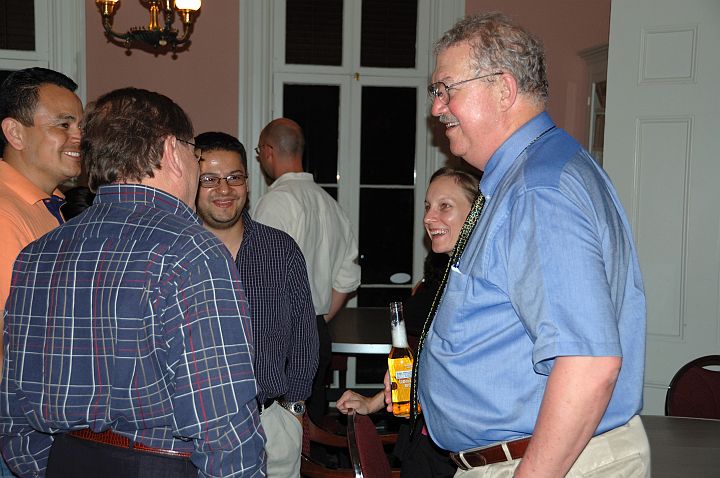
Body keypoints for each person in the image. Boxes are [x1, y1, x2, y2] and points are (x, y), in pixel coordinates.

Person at [416, 12, 649, 477]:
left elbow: (588, 363)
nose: (437, 108)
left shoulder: (537, 189)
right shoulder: (535, 173)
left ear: (503, 89)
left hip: (546, 464)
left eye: (447, 89)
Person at [0, 88, 266, 478]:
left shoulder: (39, 253)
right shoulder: (192, 251)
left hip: (64, 461)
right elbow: (223, 418)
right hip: (160, 465)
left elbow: (14, 401)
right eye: (194, 153)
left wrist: (52, 466)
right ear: (172, 150)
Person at [336, 167, 478, 478]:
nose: (429, 217)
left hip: (464, 453)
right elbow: (417, 363)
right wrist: (374, 402)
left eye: (445, 206)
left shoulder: (485, 288)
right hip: (422, 445)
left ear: (476, 213)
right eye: (428, 206)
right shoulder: (436, 281)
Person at [194, 131, 318, 476]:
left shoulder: (280, 250)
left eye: (235, 177)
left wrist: (293, 410)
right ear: (192, 182)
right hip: (194, 432)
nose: (224, 189)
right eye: (210, 179)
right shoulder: (176, 252)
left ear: (248, 184)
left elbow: (305, 336)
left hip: (271, 427)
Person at [0, 66, 83, 478]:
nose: (78, 136)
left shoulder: (47, 209)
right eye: (63, 124)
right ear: (15, 133)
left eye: (80, 125)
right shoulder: (4, 213)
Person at [254, 118, 361, 424]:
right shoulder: (331, 205)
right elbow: (347, 280)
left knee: (278, 436)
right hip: (316, 333)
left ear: (268, 151)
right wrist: (315, 319)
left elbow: (263, 279)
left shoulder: (273, 204)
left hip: (278, 336)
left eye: (260, 153)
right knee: (308, 428)